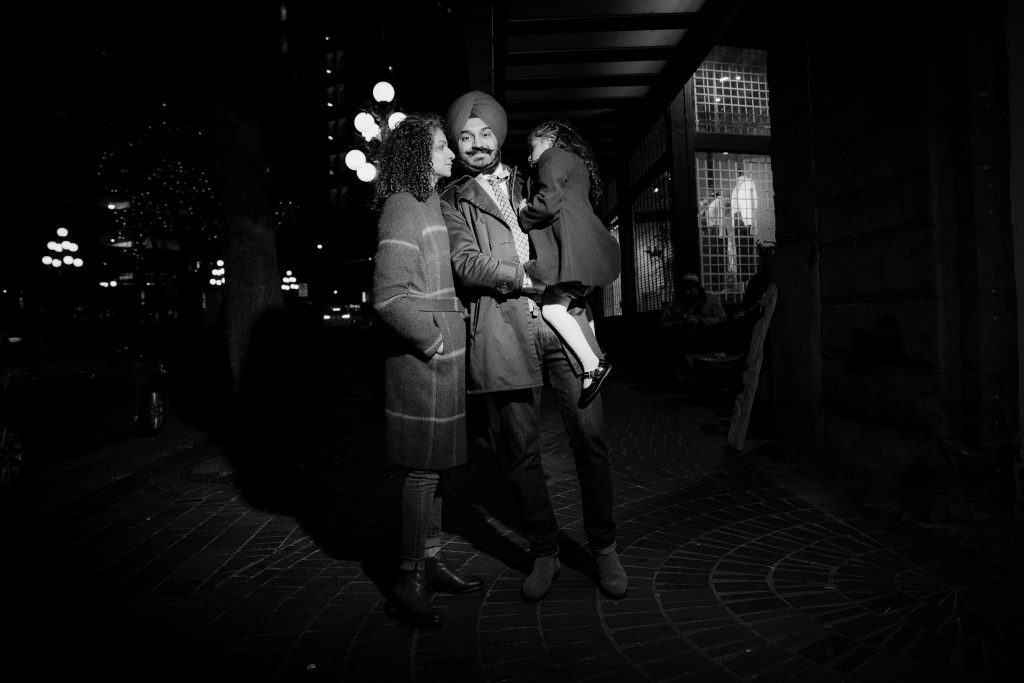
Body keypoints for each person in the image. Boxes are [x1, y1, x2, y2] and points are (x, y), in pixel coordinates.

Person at [439, 90, 627, 602]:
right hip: (503, 331)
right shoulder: (452, 200)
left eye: (485, 133)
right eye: (465, 137)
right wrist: (527, 278)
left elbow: (577, 221)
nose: (477, 144)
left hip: (565, 323)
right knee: (520, 453)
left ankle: (604, 547)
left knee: (590, 440)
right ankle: (545, 552)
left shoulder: (536, 175)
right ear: (456, 144)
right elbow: (465, 263)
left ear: (499, 134)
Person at [370, 112, 484, 628]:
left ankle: (430, 562)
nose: (450, 152)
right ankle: (409, 578)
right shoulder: (401, 206)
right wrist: (433, 339)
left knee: (436, 470)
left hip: (443, 357)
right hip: (423, 361)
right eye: (440, 145)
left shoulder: (427, 202)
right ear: (418, 154)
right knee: (421, 471)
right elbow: (389, 297)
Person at [518, 120, 621, 408]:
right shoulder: (577, 162)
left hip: (574, 253)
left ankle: (593, 365)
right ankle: (597, 357)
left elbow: (548, 202)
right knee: (576, 306)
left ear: (550, 139)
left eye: (533, 146)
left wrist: (524, 212)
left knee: (552, 309)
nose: (529, 156)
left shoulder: (553, 156)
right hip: (590, 251)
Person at [657, 273, 728, 378]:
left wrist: (700, 321)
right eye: (685, 288)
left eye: (691, 288)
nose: (687, 292)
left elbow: (722, 318)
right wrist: (678, 324)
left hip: (706, 337)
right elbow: (662, 324)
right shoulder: (676, 303)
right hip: (683, 339)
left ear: (698, 288)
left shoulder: (711, 299)